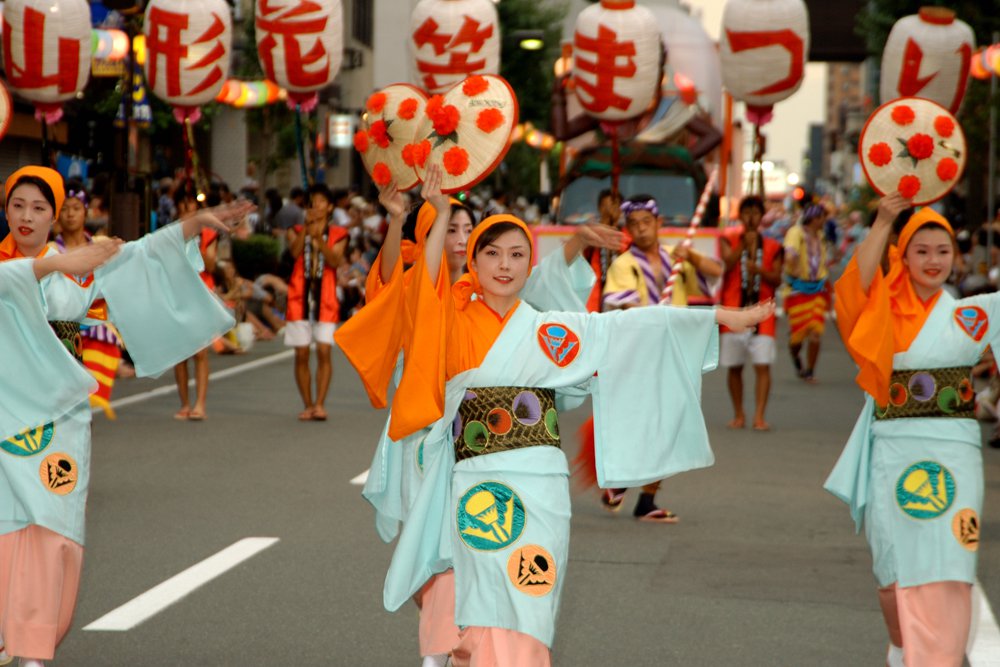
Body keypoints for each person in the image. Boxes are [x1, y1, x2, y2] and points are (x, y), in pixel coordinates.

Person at [372, 186, 771, 665]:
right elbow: (426, 281)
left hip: (542, 485)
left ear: (529, 265)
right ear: (472, 264)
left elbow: (629, 328)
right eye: (492, 254)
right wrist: (436, 213)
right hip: (479, 484)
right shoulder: (447, 318)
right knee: (481, 599)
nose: (505, 264)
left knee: (532, 597)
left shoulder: (549, 328)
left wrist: (722, 316)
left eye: (518, 254)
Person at [337, 168, 622, 667]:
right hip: (442, 446)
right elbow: (394, 297)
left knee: (506, 575)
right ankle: (443, 652)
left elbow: (559, 298)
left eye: (467, 230)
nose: (460, 239)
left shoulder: (525, 311)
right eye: (452, 231)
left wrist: (577, 243)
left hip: (526, 469)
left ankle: (481, 655)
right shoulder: (441, 303)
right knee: (444, 563)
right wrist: (412, 218)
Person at [0, 165, 243, 667]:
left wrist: (194, 224)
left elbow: (142, 257)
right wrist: (55, 267)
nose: (27, 216)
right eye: (18, 204)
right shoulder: (51, 263)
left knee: (52, 529)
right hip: (4, 416)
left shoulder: (78, 264)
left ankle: (33, 646)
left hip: (58, 423)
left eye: (40, 207)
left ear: (55, 215)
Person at [826, 192, 996, 667]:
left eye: (943, 251)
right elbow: (851, 289)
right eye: (921, 250)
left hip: (956, 451)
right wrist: (882, 220)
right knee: (892, 569)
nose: (934, 260)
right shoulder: (881, 303)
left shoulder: (973, 311)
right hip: (894, 447)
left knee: (953, 560)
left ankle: (936, 660)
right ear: (903, 254)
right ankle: (904, 647)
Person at [599, 194, 723, 522]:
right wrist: (656, 322)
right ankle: (623, 478)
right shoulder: (623, 264)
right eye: (634, 224)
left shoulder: (677, 259)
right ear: (628, 229)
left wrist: (692, 255)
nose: (641, 229)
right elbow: (627, 308)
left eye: (646, 222)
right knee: (640, 422)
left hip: (676, 352)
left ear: (659, 224)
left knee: (669, 425)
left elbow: (716, 271)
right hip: (639, 353)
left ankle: (646, 500)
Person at [52, 180, 127, 418]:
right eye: (64, 209)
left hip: (96, 332)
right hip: (61, 331)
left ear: (86, 211)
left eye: (75, 207)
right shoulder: (51, 251)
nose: (70, 214)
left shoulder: (101, 246)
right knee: (67, 405)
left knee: (86, 403)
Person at [718, 195, 784, 431]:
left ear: (761, 216)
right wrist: (744, 246)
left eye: (755, 213)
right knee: (734, 366)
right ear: (740, 215)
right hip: (734, 312)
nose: (751, 218)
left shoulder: (774, 247)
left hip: (763, 314)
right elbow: (725, 264)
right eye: (747, 213)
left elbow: (777, 279)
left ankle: (759, 416)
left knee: (762, 365)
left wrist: (760, 270)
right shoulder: (727, 239)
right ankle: (738, 414)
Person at [285, 183, 348, 421]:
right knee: (301, 353)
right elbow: (293, 252)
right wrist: (306, 231)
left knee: (323, 350)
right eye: (314, 201)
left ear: (330, 206)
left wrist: (319, 239)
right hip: (299, 295)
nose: (317, 205)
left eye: (322, 201)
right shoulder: (296, 228)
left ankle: (320, 403)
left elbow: (334, 260)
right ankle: (308, 404)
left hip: (326, 298)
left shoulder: (339, 234)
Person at [172, 182, 217, 421]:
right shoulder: (169, 234)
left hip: (201, 295)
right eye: (183, 204)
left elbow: (210, 265)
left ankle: (200, 403)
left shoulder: (207, 233)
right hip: (177, 295)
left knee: (200, 352)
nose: (187, 208)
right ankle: (185, 403)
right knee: (180, 354)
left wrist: (198, 240)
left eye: (191, 204)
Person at [783, 203, 831, 383]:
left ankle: (810, 370)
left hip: (817, 290)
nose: (824, 221)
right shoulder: (796, 232)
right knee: (797, 337)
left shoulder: (821, 236)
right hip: (797, 291)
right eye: (822, 218)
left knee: (816, 331)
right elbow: (790, 251)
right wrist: (791, 261)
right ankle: (795, 355)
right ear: (814, 218)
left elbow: (822, 262)